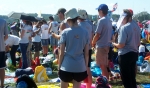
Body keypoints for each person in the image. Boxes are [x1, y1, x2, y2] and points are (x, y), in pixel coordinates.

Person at [58, 8, 89, 88]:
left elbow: (61, 53)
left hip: (66, 66)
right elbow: (86, 54)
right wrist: (85, 67)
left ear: (68, 20)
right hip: (80, 66)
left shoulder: (65, 32)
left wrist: (59, 67)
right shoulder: (85, 32)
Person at [112, 9, 140, 88]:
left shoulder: (124, 28)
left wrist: (114, 44)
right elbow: (138, 43)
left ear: (126, 18)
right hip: (134, 53)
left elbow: (121, 44)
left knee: (126, 79)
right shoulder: (136, 26)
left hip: (125, 55)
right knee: (132, 78)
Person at [92, 4, 112, 79]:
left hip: (101, 46)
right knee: (104, 65)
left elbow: (97, 34)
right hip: (107, 45)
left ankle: (105, 82)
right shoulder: (109, 20)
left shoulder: (101, 21)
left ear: (100, 11)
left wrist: (93, 42)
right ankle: (106, 81)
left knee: (102, 66)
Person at [77, 9, 93, 88]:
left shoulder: (79, 25)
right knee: (88, 68)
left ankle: (78, 85)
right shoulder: (89, 25)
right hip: (89, 48)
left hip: (81, 49)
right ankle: (89, 86)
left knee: (79, 69)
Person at [0, 18, 8, 88]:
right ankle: (2, 85)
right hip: (1, 47)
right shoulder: (3, 21)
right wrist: (2, 41)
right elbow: (6, 36)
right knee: (1, 68)